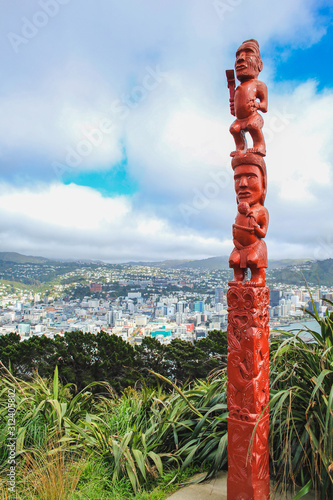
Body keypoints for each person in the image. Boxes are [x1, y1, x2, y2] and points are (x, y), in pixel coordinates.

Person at [229, 153, 268, 286]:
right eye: (237, 178)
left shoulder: (261, 211)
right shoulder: (239, 211)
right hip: (239, 247)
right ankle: (239, 277)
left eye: (250, 177)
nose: (242, 184)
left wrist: (256, 227)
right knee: (234, 260)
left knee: (253, 260)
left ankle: (258, 277)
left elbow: (263, 232)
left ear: (263, 183)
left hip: (254, 246)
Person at [229, 39, 267, 157]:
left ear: (259, 65)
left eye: (248, 53)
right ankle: (240, 147)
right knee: (234, 129)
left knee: (252, 126)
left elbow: (265, 106)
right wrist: (233, 107)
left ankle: (260, 146)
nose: (241, 58)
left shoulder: (258, 85)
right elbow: (236, 105)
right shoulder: (237, 89)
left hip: (253, 117)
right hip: (240, 120)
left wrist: (257, 105)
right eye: (238, 56)